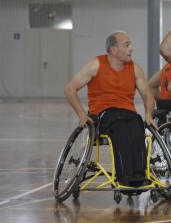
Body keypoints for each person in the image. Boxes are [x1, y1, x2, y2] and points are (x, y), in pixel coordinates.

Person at [64, 31, 156, 186]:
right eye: (127, 45)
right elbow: (70, 89)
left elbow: (148, 95)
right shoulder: (96, 65)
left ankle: (139, 174)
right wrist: (81, 115)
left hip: (128, 113)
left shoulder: (135, 69)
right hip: (103, 114)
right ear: (113, 49)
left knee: (136, 124)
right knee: (121, 125)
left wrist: (148, 114)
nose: (131, 49)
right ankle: (125, 176)